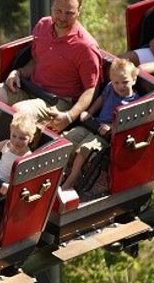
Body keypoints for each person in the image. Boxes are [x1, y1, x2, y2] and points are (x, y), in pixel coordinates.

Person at [0, 0, 102, 132]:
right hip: (32, 88)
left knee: (19, 113)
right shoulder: (43, 26)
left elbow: (91, 89)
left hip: (57, 101)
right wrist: (18, 73)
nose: (62, 18)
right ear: (51, 6)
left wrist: (69, 117)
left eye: (69, 13)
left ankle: (8, 151)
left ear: (79, 11)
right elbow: (37, 61)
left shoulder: (86, 46)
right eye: (58, 11)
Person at [60, 59, 141, 190]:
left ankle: (71, 180)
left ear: (134, 80)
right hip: (93, 125)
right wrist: (89, 112)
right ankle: (62, 172)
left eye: (125, 82)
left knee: (85, 149)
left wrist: (112, 127)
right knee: (68, 138)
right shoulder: (110, 87)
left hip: (105, 135)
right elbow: (101, 99)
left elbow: (129, 124)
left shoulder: (134, 102)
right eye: (116, 83)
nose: (120, 86)